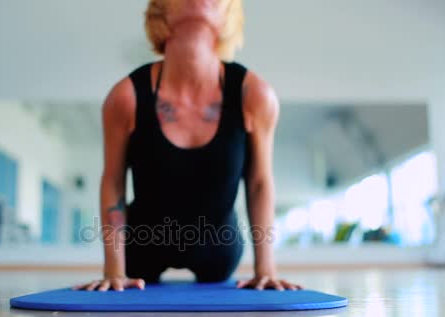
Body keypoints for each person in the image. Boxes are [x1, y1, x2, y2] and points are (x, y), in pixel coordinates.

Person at [75, 0, 302, 292]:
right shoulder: (126, 97)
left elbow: (259, 182)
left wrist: (266, 269)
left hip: (219, 248)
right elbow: (113, 181)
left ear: (228, 14)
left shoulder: (254, 95)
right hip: (142, 245)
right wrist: (113, 271)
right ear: (162, 10)